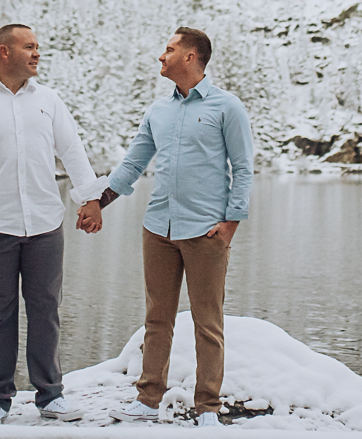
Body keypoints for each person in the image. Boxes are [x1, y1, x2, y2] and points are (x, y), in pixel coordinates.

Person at [0, 24, 107, 424]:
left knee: (46, 309)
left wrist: (91, 200)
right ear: (3, 51)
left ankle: (50, 397)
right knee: (0, 313)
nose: (36, 54)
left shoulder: (49, 100)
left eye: (38, 47)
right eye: (29, 47)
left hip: (46, 224)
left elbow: (73, 151)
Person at [82, 28, 253, 428]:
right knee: (157, 318)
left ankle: (207, 407)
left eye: (170, 50)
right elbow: (131, 165)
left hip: (206, 232)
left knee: (207, 323)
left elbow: (243, 169)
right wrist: (98, 201)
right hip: (158, 227)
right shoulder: (158, 111)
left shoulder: (227, 107)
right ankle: (146, 400)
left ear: (191, 57)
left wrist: (230, 224)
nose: (162, 56)